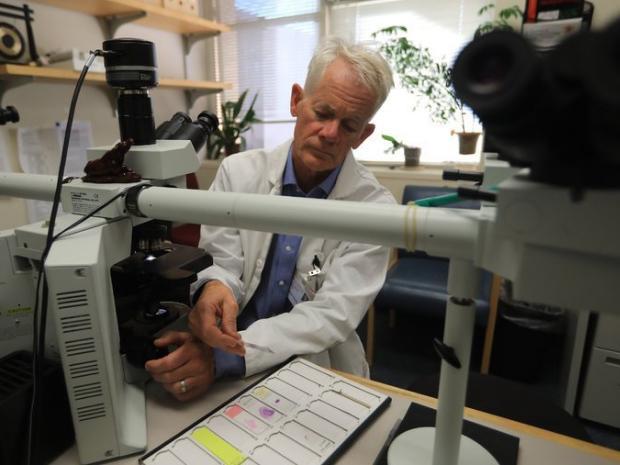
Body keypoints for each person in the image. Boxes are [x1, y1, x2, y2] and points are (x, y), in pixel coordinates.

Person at [146, 37, 395, 401]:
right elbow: (222, 263)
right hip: (225, 351)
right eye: (323, 113)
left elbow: (331, 314)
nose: (330, 134)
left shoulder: (375, 210)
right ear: (297, 101)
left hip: (311, 366)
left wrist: (224, 357)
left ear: (364, 135)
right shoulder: (238, 173)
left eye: (349, 126)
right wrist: (215, 289)